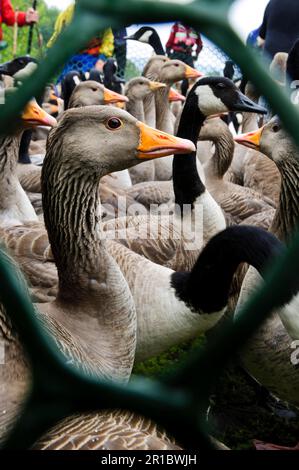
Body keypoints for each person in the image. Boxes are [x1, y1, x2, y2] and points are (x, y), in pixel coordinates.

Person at [47, 2, 114, 81]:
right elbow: (57, 36)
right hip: (71, 57)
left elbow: (108, 39)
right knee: (66, 81)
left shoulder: (102, 15)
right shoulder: (67, 14)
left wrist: (101, 59)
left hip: (92, 58)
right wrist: (49, 53)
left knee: (88, 79)